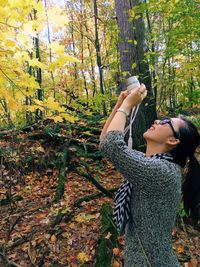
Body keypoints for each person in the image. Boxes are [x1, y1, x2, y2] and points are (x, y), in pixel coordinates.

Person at [99, 84, 200, 267]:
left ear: (173, 140)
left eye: (166, 122)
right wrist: (120, 105)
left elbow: (112, 146)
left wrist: (127, 107)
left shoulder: (162, 173)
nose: (157, 121)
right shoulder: (151, 163)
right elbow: (106, 141)